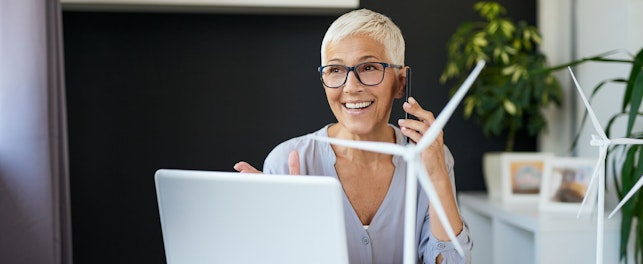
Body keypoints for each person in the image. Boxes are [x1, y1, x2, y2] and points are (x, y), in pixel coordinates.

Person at [234, 8, 472, 264]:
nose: (351, 87)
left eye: (369, 67)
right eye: (335, 70)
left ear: (400, 82)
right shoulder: (286, 161)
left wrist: (437, 176)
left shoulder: (431, 158)